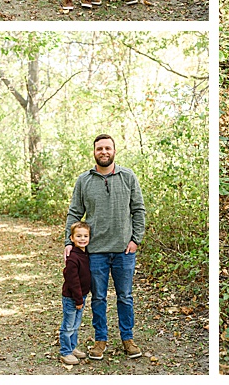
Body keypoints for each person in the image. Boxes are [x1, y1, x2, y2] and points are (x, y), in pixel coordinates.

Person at [64, 134, 146, 360]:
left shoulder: (128, 177)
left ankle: (127, 338)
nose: (104, 152)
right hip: (95, 252)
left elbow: (138, 210)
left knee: (125, 296)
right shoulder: (84, 180)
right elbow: (74, 213)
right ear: (94, 152)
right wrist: (68, 243)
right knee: (98, 297)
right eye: (99, 148)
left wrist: (135, 239)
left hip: (124, 251)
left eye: (107, 148)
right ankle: (100, 340)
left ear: (114, 151)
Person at [59, 221, 93, 365]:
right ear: (71, 238)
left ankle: (72, 347)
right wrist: (78, 299)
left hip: (81, 296)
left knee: (76, 324)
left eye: (85, 236)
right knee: (68, 325)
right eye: (78, 236)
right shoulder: (73, 257)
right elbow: (72, 281)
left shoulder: (85, 254)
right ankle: (65, 351)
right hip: (72, 297)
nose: (82, 239)